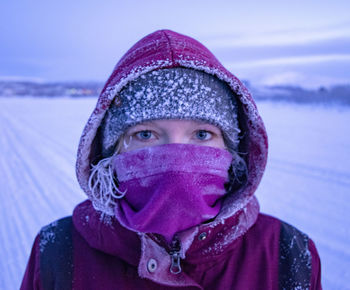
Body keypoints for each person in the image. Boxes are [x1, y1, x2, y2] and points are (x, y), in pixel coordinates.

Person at [21, 30, 322, 289]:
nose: (177, 164)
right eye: (145, 135)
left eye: (202, 135)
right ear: (109, 154)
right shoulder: (58, 252)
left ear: (233, 152)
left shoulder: (289, 254)